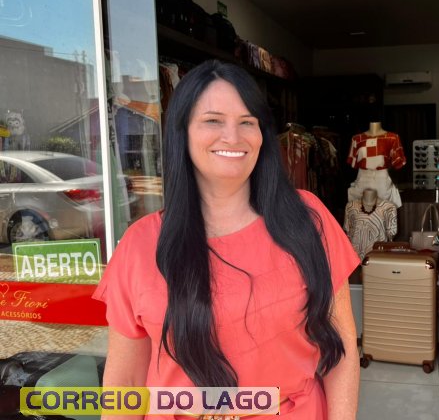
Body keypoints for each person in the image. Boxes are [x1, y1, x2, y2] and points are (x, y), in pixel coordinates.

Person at [93, 60, 360, 419]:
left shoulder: (307, 219)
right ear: (182, 132)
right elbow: (125, 381)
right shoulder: (139, 245)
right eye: (213, 120)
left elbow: (341, 350)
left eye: (247, 122)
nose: (233, 137)